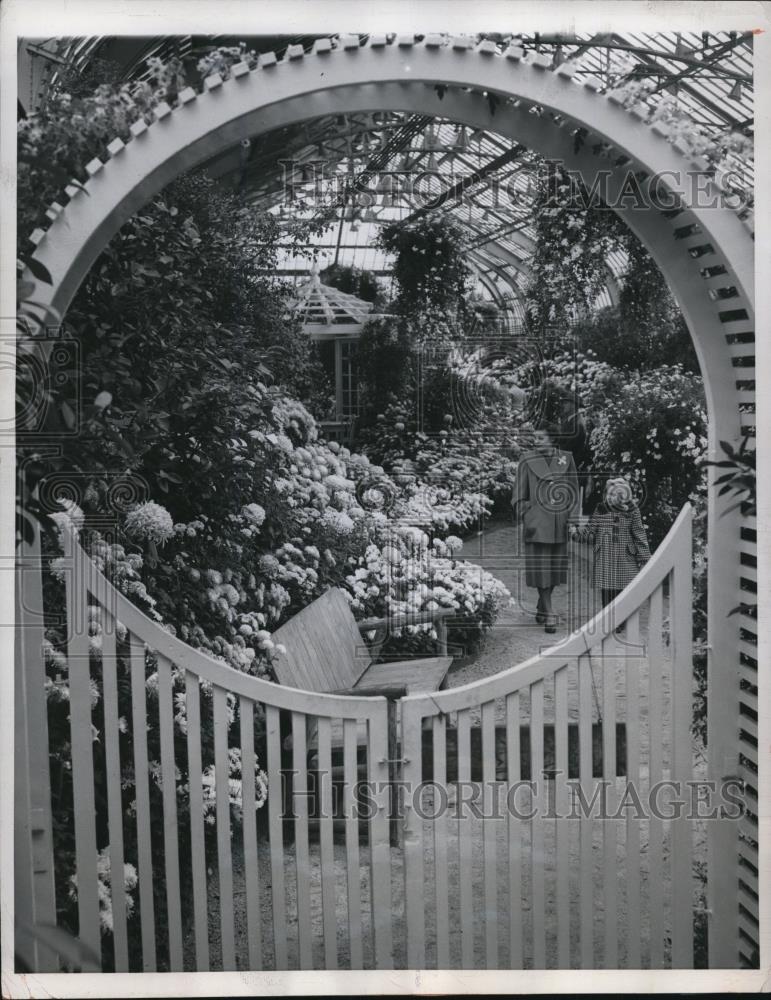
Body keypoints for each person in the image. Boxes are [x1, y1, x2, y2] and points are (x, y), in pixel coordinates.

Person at [511, 421, 580, 634]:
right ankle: (550, 612)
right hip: (537, 524)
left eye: (541, 437)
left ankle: (542, 606)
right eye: (535, 437)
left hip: (560, 523)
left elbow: (573, 491)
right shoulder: (527, 459)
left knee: (553, 570)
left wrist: (573, 520)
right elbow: (518, 494)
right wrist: (526, 513)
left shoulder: (566, 458)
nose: (536, 441)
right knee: (541, 570)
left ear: (552, 439)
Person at [570, 476, 651, 616]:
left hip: (626, 559)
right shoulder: (601, 509)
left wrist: (644, 558)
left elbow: (639, 534)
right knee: (607, 592)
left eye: (614, 494)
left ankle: (620, 619)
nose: (610, 497)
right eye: (608, 493)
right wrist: (575, 534)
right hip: (605, 557)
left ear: (623, 495)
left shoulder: (632, 510)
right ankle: (608, 618)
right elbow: (590, 532)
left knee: (623, 591)